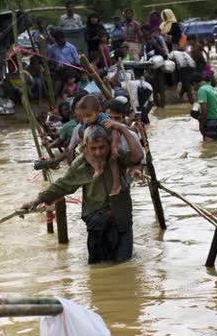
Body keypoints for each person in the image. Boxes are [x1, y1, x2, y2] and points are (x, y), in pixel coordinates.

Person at [21, 122, 144, 264]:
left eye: (102, 147)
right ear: (86, 148)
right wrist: (37, 200)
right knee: (97, 266)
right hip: (97, 219)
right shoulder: (81, 165)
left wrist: (122, 128)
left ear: (109, 145)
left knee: (125, 264)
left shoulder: (116, 156)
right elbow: (63, 185)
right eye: (94, 149)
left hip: (122, 219)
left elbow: (137, 156)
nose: (98, 153)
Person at [73, 95, 123, 196]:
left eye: (89, 115)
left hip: (110, 144)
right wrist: (83, 144)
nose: (86, 119)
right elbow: (83, 134)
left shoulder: (104, 119)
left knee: (113, 161)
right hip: (97, 147)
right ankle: (97, 168)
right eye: (84, 117)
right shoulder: (86, 122)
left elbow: (114, 132)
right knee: (85, 153)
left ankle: (116, 184)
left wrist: (114, 146)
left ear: (98, 111)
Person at [48, 31, 81, 97]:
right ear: (56, 40)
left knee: (69, 75)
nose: (59, 42)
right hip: (58, 69)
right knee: (57, 80)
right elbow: (49, 60)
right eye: (58, 40)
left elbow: (77, 62)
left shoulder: (71, 47)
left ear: (64, 38)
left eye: (61, 40)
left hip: (70, 69)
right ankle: (55, 98)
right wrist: (55, 64)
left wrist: (68, 65)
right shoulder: (52, 48)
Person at [195, 72, 217, 142]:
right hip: (216, 123)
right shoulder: (213, 90)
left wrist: (201, 125)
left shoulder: (202, 90)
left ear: (195, 83)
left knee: (207, 150)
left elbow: (204, 111)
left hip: (209, 123)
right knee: (214, 149)